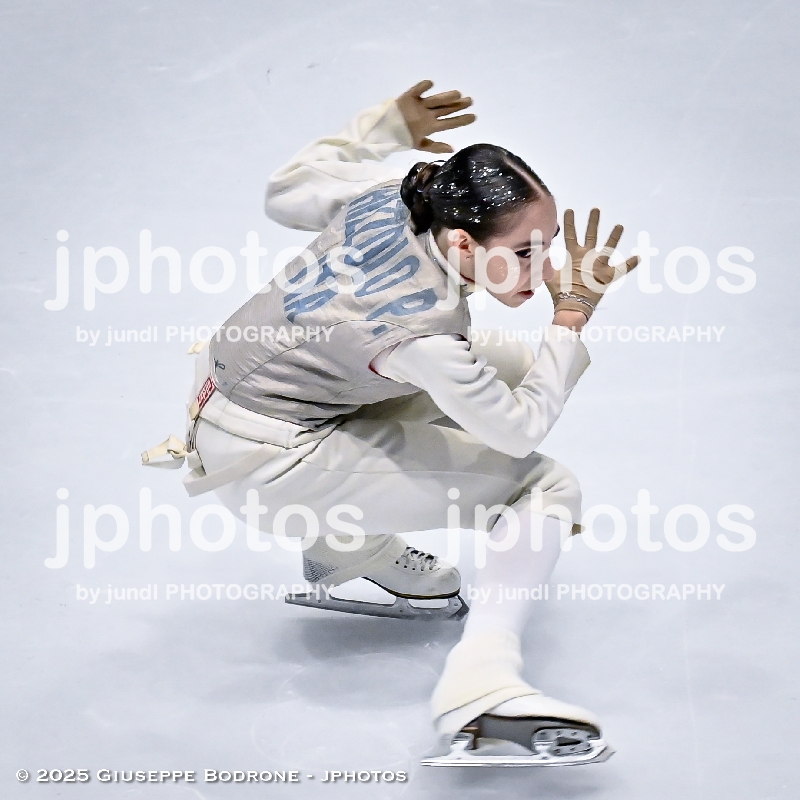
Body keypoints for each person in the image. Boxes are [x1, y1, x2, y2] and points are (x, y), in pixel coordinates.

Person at [144, 79, 638, 766]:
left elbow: (285, 190)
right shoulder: (422, 333)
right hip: (265, 463)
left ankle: (345, 544)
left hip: (238, 393)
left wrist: (385, 129)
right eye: (524, 252)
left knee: (511, 365)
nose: (546, 268)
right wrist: (572, 315)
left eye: (547, 244)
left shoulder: (396, 197)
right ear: (462, 245)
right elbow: (519, 433)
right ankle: (482, 686)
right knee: (544, 487)